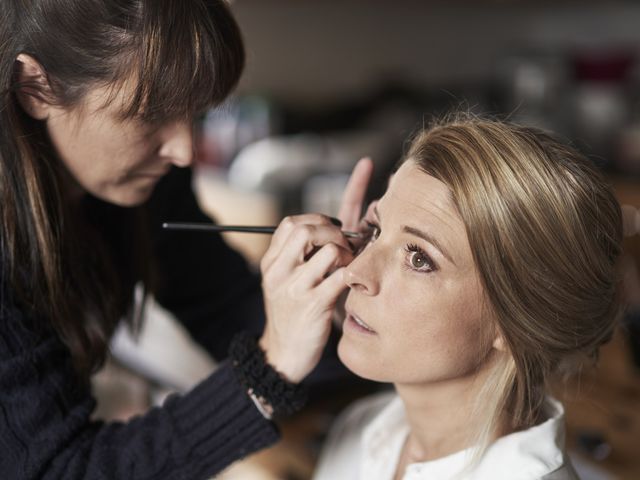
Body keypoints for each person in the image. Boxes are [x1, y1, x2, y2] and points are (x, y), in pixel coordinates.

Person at [0, 1, 372, 479]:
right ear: (34, 86)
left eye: (192, 113)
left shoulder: (146, 183)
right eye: (150, 115)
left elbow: (221, 303)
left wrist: (336, 311)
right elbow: (62, 469)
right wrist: (267, 371)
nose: (182, 151)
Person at [310, 115, 623, 480]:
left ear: (512, 321)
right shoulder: (361, 429)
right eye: (376, 229)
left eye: (419, 258)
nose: (354, 272)